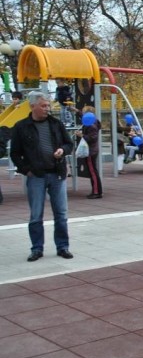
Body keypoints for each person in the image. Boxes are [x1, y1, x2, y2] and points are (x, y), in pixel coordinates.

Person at [10, 91, 74, 261]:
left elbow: (69, 144)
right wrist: (26, 170)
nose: (48, 109)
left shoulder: (56, 124)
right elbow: (15, 153)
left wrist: (63, 150)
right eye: (44, 106)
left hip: (57, 174)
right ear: (32, 107)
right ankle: (37, 248)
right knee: (36, 215)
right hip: (36, 176)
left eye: (48, 105)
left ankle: (63, 247)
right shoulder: (21, 127)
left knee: (61, 213)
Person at [73, 106, 103, 198]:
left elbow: (92, 138)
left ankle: (96, 192)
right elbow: (83, 116)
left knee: (93, 171)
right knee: (92, 171)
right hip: (92, 150)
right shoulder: (92, 120)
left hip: (90, 151)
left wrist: (81, 135)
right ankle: (96, 191)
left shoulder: (91, 124)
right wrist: (76, 110)